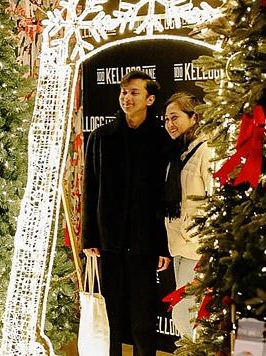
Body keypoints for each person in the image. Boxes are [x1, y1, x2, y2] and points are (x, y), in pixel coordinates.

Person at [82, 70, 172, 356]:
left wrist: (162, 246)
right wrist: (89, 238)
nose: (127, 97)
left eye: (134, 92)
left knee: (142, 319)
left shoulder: (161, 139)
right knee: (110, 316)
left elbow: (165, 196)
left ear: (150, 99)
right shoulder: (101, 137)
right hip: (108, 242)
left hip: (145, 243)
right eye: (124, 92)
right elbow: (90, 189)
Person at [163, 92, 213, 338]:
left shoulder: (206, 150)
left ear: (193, 118)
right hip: (179, 247)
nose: (170, 124)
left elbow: (217, 200)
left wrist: (207, 243)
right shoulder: (178, 154)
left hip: (198, 248)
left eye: (175, 117)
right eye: (166, 119)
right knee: (186, 315)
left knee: (187, 315)